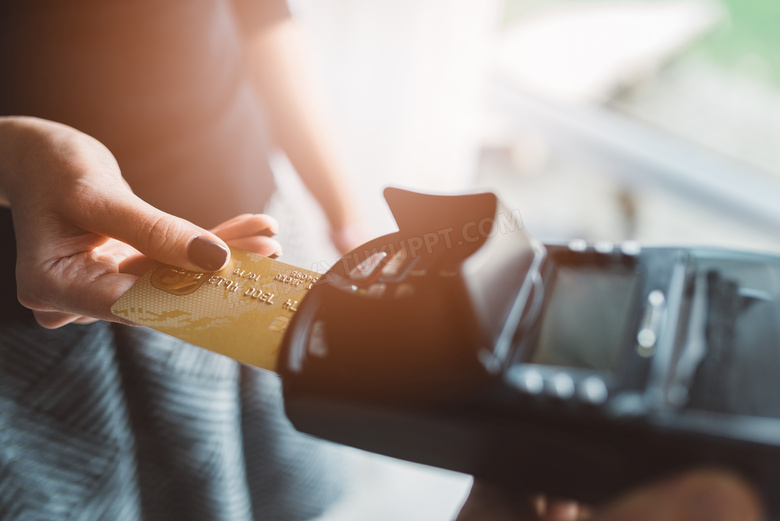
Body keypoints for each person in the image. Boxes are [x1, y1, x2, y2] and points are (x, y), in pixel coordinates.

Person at [0, 2, 765, 520]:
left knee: (276, 489)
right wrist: (16, 154)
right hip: (50, 275)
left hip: (254, 239)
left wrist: (342, 207)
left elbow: (253, 14)